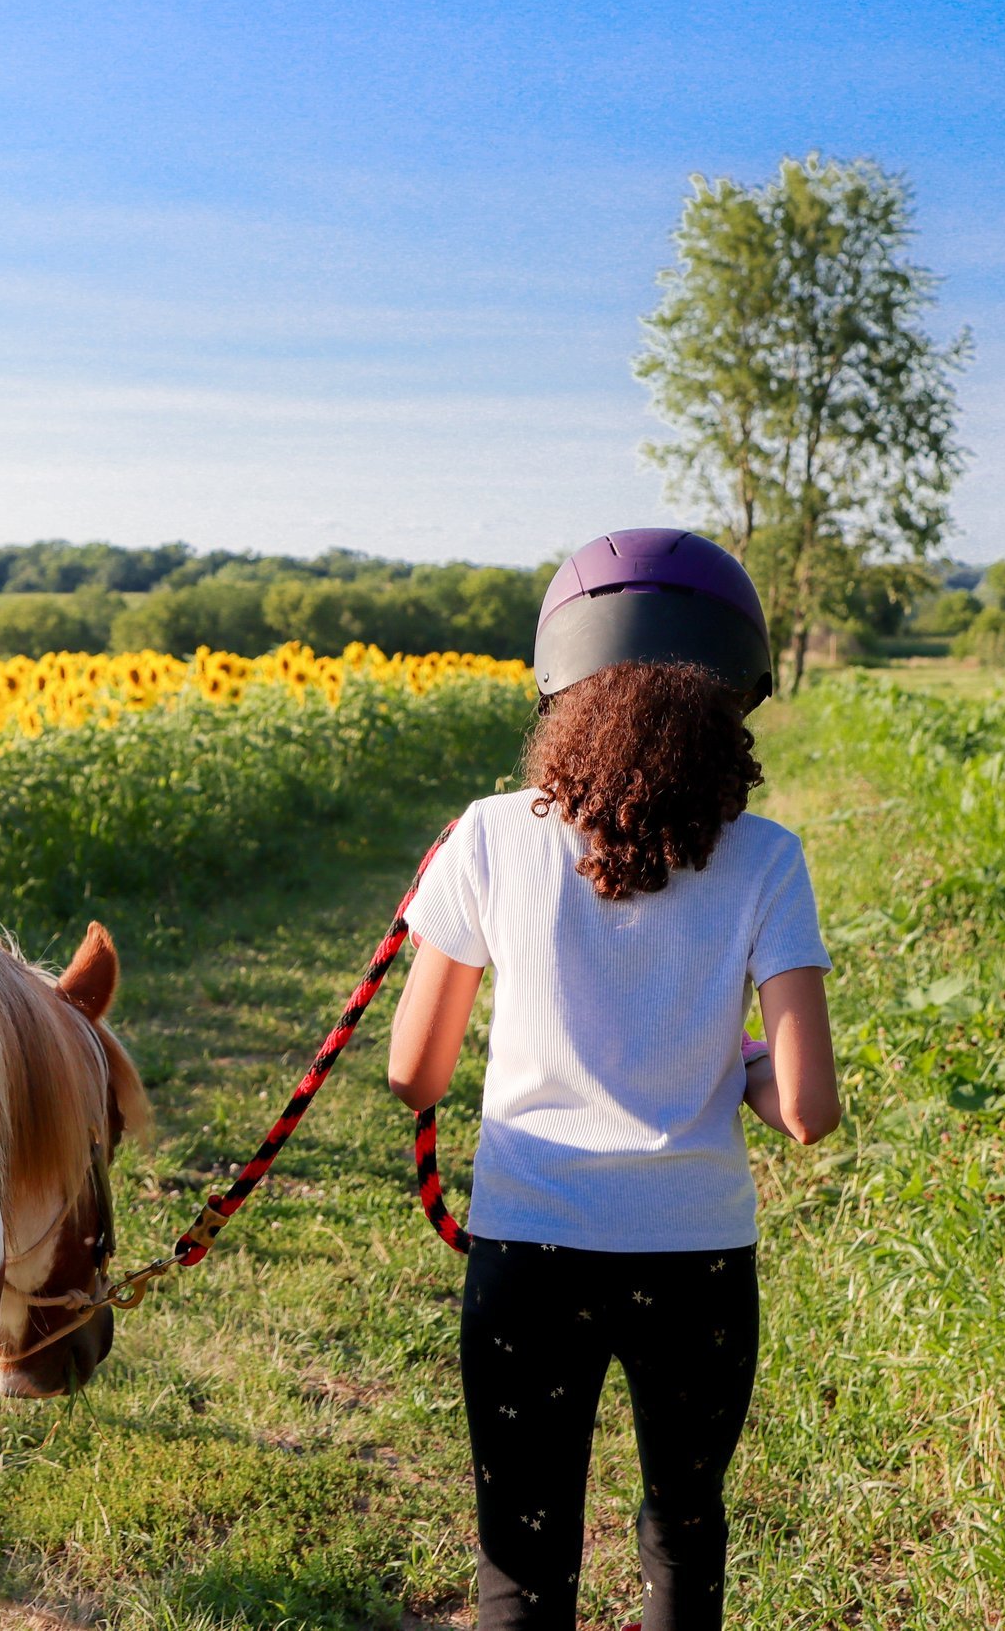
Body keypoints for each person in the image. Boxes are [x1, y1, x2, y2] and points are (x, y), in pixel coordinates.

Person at [385, 529, 840, 1631]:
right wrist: (728, 1059)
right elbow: (808, 1110)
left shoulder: (488, 837)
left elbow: (412, 1072)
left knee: (519, 1559)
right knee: (684, 1527)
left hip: (527, 1248)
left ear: (562, 684)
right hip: (694, 1261)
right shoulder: (768, 857)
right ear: (734, 696)